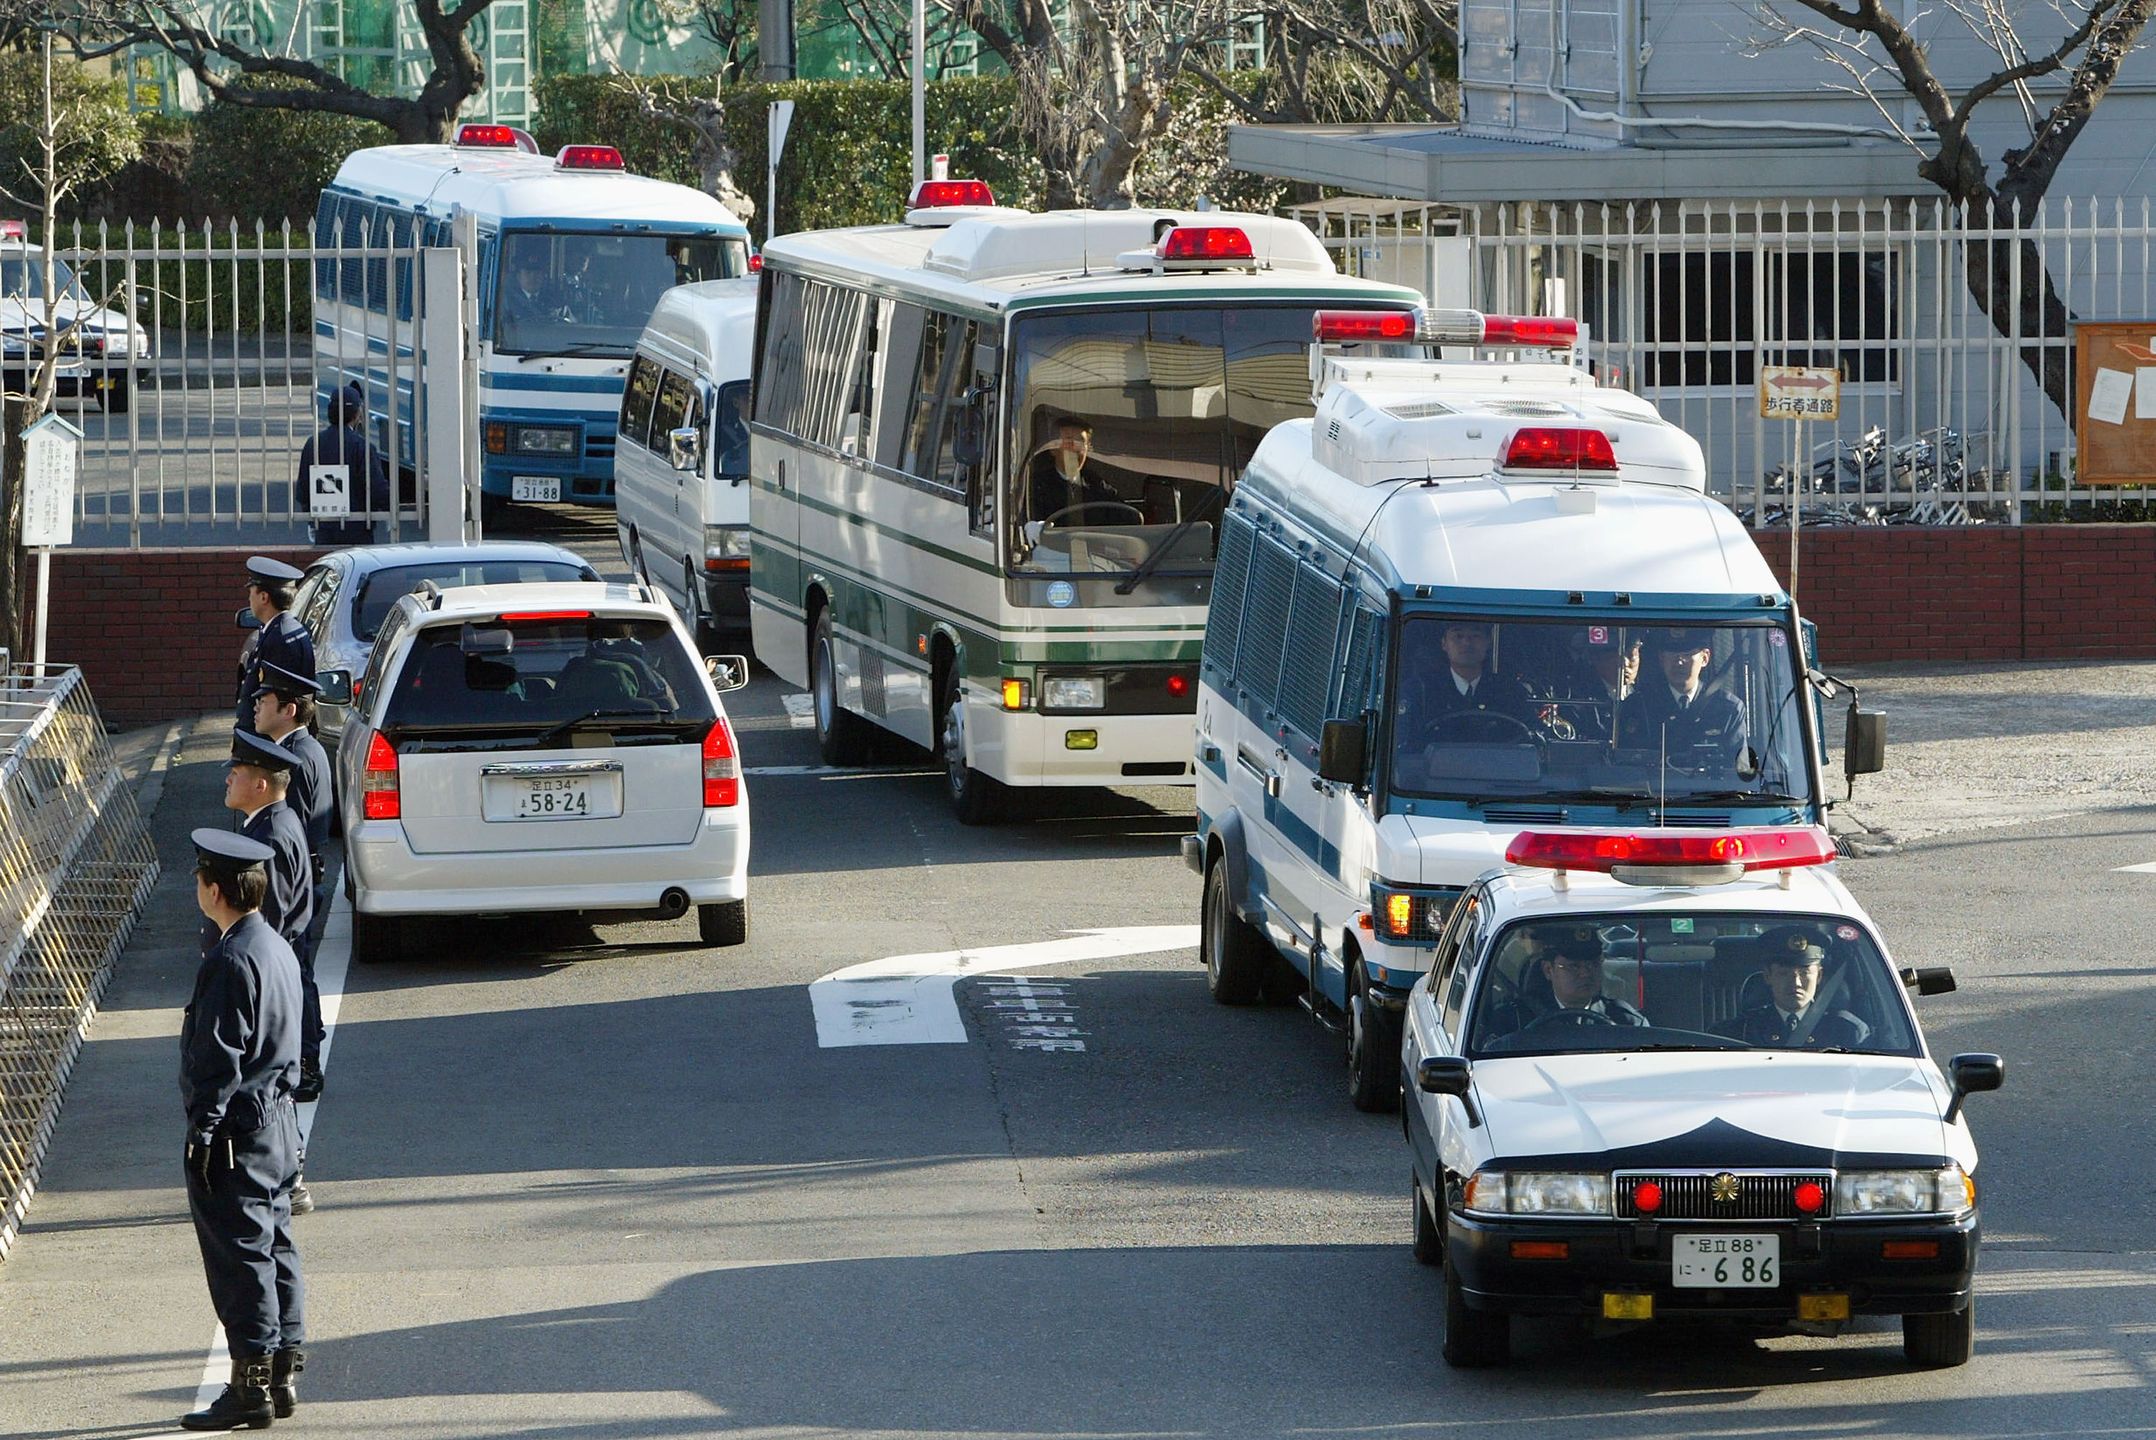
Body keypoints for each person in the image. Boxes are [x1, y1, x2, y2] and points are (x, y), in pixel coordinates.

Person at [180, 829, 306, 1431]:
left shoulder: (229, 960)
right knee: (276, 1247)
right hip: (277, 1123)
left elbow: (217, 1059)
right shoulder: (273, 945)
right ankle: (281, 1375)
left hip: (238, 1132)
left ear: (215, 890)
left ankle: (249, 1387)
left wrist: (201, 1133)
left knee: (241, 1261)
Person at [251, 663, 333, 1108]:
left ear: (288, 708)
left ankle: (306, 1061)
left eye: (264, 701)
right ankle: (304, 1056)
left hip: (293, 884)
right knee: (297, 971)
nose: (256, 706)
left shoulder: (296, 757)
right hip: (301, 881)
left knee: (294, 974)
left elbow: (292, 833)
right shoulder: (303, 748)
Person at [1487, 923, 1649, 1039]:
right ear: (1548, 970)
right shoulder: (1513, 1021)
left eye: (1592, 964)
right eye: (1573, 966)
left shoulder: (1626, 1022)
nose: (1585, 973)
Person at [1725, 926, 1872, 1048]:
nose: (1796, 982)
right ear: (1768, 976)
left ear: (1819, 976)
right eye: (1784, 973)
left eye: (1804, 973)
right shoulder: (1740, 1031)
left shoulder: (1848, 1030)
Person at [1617, 627, 1748, 762]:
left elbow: (1737, 771)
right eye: (1672, 654)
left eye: (1687, 654)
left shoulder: (1728, 709)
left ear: (1705, 658)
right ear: (1661, 659)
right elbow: (1627, 765)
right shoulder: (1639, 705)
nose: (1679, 662)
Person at [293, 382, 392, 547]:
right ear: (356, 414)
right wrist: (389, 509)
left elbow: (303, 489)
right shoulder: (362, 447)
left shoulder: (313, 444)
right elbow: (376, 488)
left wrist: (311, 520)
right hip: (358, 527)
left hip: (324, 527)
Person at [1415, 621, 1536, 740]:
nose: (1467, 642)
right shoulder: (1421, 691)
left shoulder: (1510, 692)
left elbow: (1528, 740)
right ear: (1444, 644)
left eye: (1475, 636)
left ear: (1488, 642)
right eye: (1458, 636)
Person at [235, 557, 315, 730]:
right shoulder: (277, 629)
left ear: (264, 597)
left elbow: (276, 701)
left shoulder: (281, 638)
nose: (249, 599)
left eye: (251, 593)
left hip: (268, 740)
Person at [1026, 417, 1123, 525]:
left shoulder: (1097, 485)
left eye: (1080, 442)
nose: (1075, 448)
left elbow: (1125, 518)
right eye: (1069, 440)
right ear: (1053, 448)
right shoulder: (1036, 486)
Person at [1560, 628, 1641, 742]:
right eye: (1614, 657)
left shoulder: (1647, 695)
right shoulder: (1579, 697)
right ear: (1595, 658)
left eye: (1631, 656)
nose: (1624, 663)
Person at [501, 251, 567, 331]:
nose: (533, 277)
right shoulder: (506, 302)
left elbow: (571, 325)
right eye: (528, 272)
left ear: (543, 276)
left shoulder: (555, 301)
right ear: (518, 277)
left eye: (538, 273)